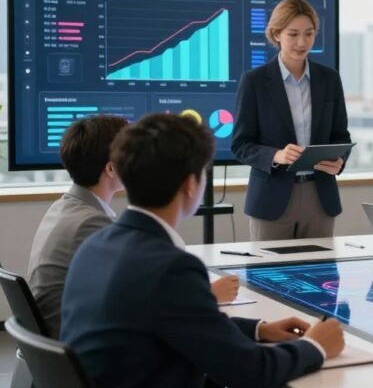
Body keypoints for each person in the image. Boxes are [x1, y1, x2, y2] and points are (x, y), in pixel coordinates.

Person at [61, 113, 345, 388]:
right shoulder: (172, 268)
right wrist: (315, 346)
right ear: (190, 184)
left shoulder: (94, 247)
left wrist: (258, 330)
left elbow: (178, 320)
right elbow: (251, 374)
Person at [27, 115, 238, 337]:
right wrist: (207, 295)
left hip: (62, 336)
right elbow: (136, 299)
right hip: (74, 340)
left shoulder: (65, 207)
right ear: (111, 168)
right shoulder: (90, 224)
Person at [232, 0, 351, 241]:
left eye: (309, 34)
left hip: (320, 196)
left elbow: (341, 135)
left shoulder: (329, 79)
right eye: (293, 34)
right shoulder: (254, 81)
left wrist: (340, 160)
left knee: (320, 266)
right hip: (271, 198)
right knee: (269, 267)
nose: (302, 42)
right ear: (276, 34)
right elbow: (241, 144)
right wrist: (276, 155)